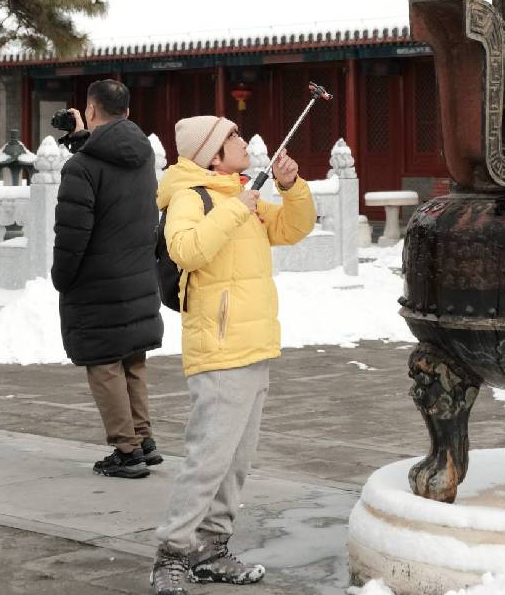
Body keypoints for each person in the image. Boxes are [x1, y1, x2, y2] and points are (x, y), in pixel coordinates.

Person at [151, 115, 316, 594]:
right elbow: (184, 249)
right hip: (219, 348)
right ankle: (173, 553)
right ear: (211, 154)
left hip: (254, 344)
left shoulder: (242, 193)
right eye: (233, 137)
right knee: (207, 459)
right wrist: (235, 209)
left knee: (235, 462)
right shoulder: (192, 196)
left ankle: (212, 546)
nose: (244, 142)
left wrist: (292, 187)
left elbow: (292, 230)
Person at [51, 79, 163, 480]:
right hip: (137, 275)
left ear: (92, 111)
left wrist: (62, 278)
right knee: (133, 360)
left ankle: (126, 450)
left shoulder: (80, 167)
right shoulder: (144, 155)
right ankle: (145, 440)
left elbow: (72, 233)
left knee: (104, 365)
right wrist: (83, 138)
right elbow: (109, 165)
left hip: (97, 281)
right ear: (128, 114)